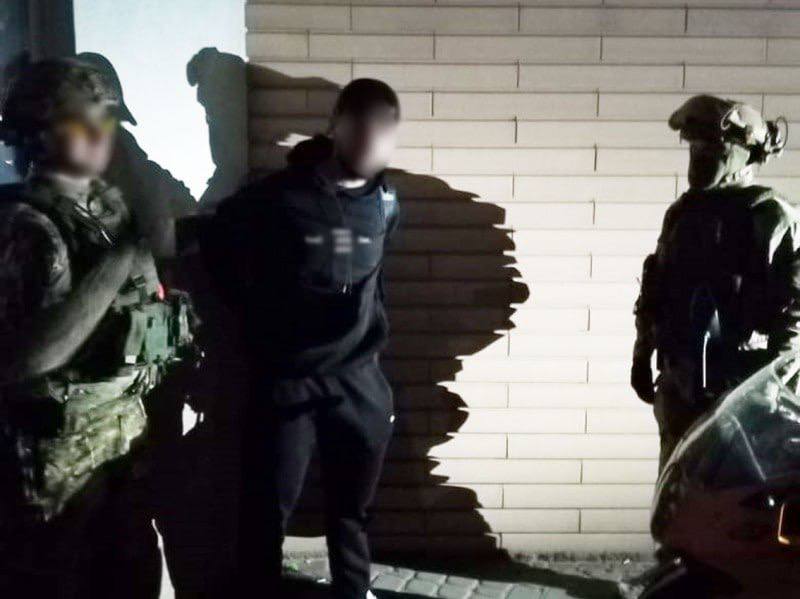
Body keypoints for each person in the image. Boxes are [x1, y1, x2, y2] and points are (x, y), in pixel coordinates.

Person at [0, 57, 195, 597]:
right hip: (59, 468)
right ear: (39, 134)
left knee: (133, 577)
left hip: (123, 446)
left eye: (104, 121)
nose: (100, 135)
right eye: (83, 122)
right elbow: (22, 361)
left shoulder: (106, 209)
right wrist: (120, 262)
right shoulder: (26, 227)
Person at [203, 78, 401, 599]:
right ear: (336, 127)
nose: (372, 143)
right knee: (267, 509)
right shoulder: (278, 196)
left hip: (358, 381)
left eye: (384, 133)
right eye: (361, 130)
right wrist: (253, 314)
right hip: (288, 378)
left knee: (352, 509)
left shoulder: (385, 202)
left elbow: (373, 269)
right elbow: (216, 243)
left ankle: (353, 591)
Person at [631, 94, 798, 471]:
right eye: (694, 148)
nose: (699, 158)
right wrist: (642, 354)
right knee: (678, 491)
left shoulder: (771, 216)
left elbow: (794, 312)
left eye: (712, 149)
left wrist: (773, 386)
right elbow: (655, 288)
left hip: (742, 391)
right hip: (680, 386)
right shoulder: (682, 214)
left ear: (746, 154)